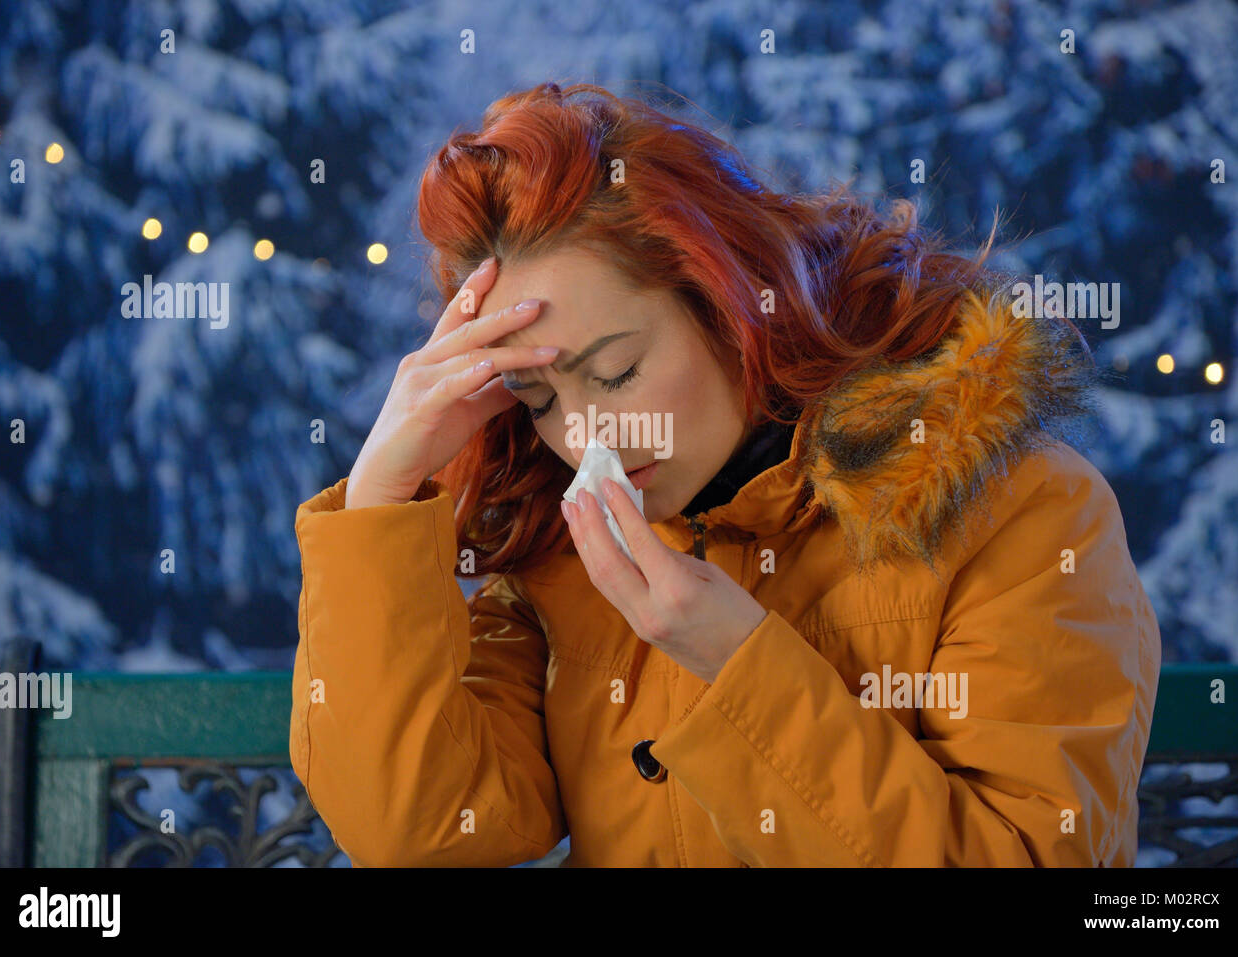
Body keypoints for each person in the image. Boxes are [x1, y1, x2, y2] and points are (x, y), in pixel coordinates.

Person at [289, 82, 1161, 867]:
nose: (585, 433)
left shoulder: (1025, 511)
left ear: (731, 304)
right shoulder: (569, 554)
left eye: (617, 369)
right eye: (537, 397)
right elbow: (423, 828)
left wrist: (736, 666)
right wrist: (379, 496)